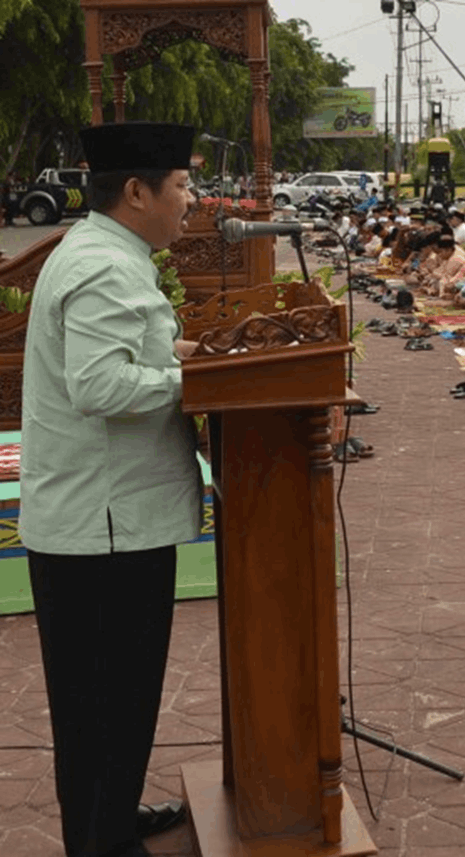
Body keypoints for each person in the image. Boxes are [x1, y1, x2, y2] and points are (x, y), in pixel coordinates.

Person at [22, 122, 201, 857]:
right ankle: (102, 843)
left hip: (105, 523)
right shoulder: (104, 266)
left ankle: (109, 820)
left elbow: (125, 353)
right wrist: (194, 377)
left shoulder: (104, 250)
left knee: (106, 707)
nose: (192, 199)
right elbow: (99, 386)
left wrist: (181, 354)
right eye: (183, 185)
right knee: (107, 705)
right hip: (104, 531)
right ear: (136, 191)